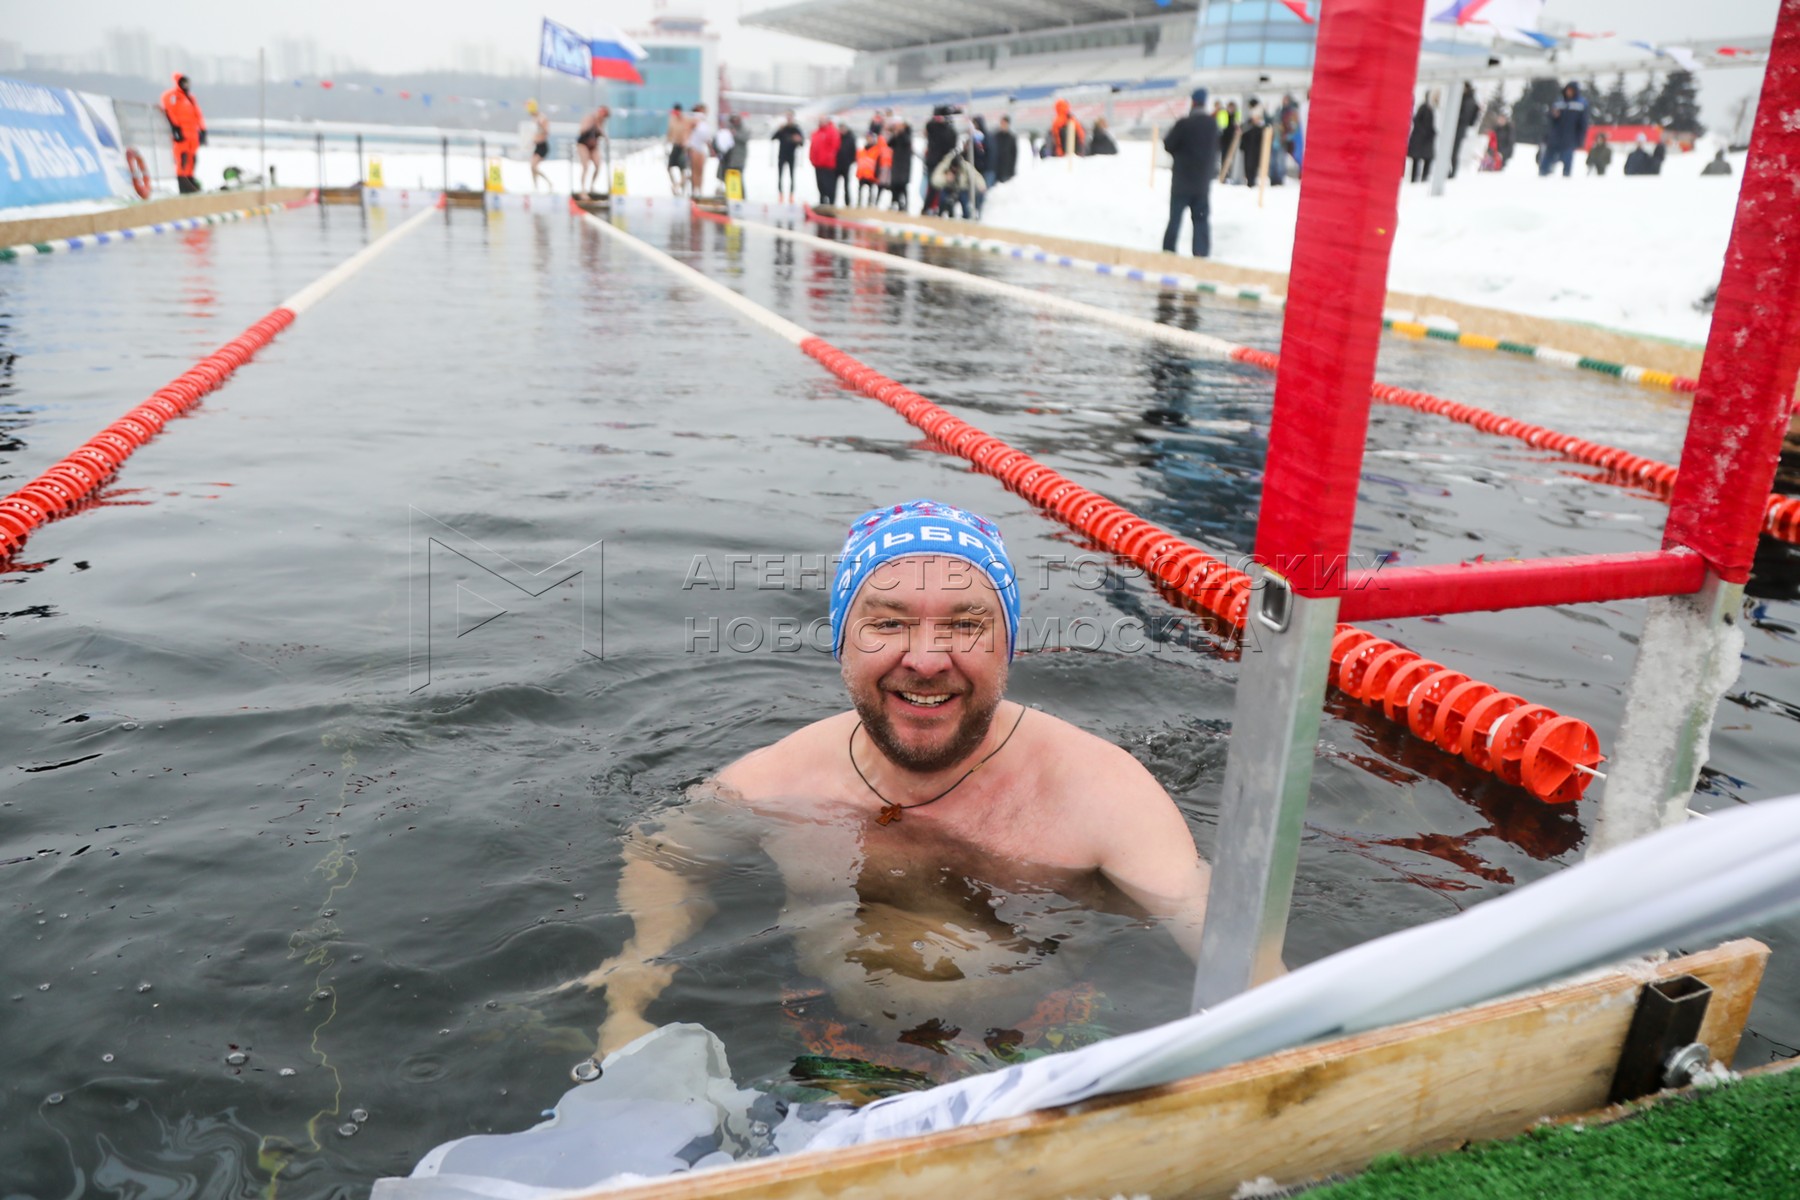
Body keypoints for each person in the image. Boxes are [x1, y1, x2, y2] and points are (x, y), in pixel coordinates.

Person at [576, 499, 1211, 1062]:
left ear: (1008, 644)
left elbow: (1215, 930)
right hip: (827, 1040)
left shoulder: (1102, 795)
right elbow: (664, 855)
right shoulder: (775, 780)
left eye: (964, 625)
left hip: (1042, 1049)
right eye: (888, 623)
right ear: (843, 642)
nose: (927, 659)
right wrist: (631, 991)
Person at [1162, 88, 1219, 259]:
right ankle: (1200, 254)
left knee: (1175, 218)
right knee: (1201, 219)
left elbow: (1168, 145)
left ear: (1192, 103)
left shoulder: (1184, 124)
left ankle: (1168, 252)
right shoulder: (1212, 125)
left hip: (1182, 182)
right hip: (1202, 182)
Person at [159, 72, 206, 194]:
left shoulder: (190, 98)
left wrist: (202, 130)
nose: (186, 85)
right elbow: (169, 111)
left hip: (193, 134)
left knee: (192, 158)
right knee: (182, 158)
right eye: (183, 83)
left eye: (187, 83)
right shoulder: (172, 96)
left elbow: (198, 115)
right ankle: (183, 183)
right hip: (182, 133)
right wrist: (175, 129)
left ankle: (190, 179)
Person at [1539, 81, 1589, 178]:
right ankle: (1542, 174)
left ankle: (1566, 178)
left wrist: (1580, 139)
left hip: (1570, 138)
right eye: (1567, 90)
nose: (1568, 92)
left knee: (1567, 160)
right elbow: (1550, 119)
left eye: (1571, 90)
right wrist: (1553, 115)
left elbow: (1583, 124)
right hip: (1555, 136)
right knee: (1547, 158)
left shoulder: (1581, 104)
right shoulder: (1559, 102)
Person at [922, 105, 957, 214]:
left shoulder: (950, 131)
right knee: (933, 186)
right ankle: (928, 208)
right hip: (934, 162)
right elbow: (929, 126)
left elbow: (952, 146)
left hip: (944, 163)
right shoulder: (934, 127)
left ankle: (943, 209)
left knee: (943, 187)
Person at [771, 110, 804, 203]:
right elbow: (772, 138)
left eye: (790, 116)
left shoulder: (796, 129)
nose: (789, 118)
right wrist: (779, 129)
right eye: (787, 116)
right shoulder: (783, 129)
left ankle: (791, 194)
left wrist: (798, 140)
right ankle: (780, 194)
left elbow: (802, 143)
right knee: (780, 175)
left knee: (792, 176)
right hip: (782, 155)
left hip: (791, 155)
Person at [809, 115, 841, 206]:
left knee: (829, 185)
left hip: (828, 164)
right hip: (817, 163)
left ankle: (831, 203)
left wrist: (828, 157)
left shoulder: (832, 131)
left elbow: (835, 146)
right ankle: (822, 201)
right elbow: (813, 146)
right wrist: (812, 158)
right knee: (820, 184)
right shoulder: (816, 133)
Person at [576, 105, 608, 196]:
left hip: (593, 146)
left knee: (598, 165)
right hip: (583, 144)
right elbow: (581, 131)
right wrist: (591, 125)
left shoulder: (601, 123)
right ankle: (583, 190)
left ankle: (591, 186)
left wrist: (599, 128)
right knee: (586, 167)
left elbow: (604, 136)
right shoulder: (589, 118)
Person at [1450, 82, 1479, 179]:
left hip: (1459, 129)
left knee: (1453, 151)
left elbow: (1464, 116)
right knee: (1453, 151)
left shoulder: (1468, 100)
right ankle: (1451, 171)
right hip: (1459, 128)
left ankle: (1452, 172)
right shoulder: (1468, 99)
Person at [686, 104, 714, 198]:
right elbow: (688, 131)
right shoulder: (694, 119)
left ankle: (699, 190)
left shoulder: (704, 121)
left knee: (700, 171)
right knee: (694, 170)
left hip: (702, 147)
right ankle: (695, 190)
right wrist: (688, 146)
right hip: (694, 146)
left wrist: (711, 148)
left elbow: (707, 137)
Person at [1407, 94, 1435, 184]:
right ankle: (1417, 179)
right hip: (1422, 138)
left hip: (1425, 138)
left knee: (1426, 158)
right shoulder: (1424, 108)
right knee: (1419, 158)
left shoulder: (1430, 108)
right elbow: (1418, 121)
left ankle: (1422, 178)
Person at [887, 118, 914, 212]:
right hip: (896, 163)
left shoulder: (907, 134)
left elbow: (906, 141)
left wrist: (901, 132)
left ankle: (904, 204)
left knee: (902, 185)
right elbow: (889, 144)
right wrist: (895, 134)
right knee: (894, 184)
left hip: (904, 165)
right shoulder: (897, 135)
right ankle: (895, 202)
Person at [527, 100, 551, 192]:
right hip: (537, 145)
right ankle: (535, 187)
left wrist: (539, 136)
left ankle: (548, 182)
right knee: (532, 167)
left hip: (542, 146)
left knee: (533, 166)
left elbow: (546, 132)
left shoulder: (541, 118)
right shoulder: (535, 119)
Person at [666, 104, 690, 195]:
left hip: (683, 148)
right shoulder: (672, 120)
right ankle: (676, 185)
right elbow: (670, 133)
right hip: (675, 146)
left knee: (683, 170)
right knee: (670, 168)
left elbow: (687, 132)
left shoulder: (685, 120)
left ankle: (680, 187)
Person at [834, 122, 858, 206]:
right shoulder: (837, 137)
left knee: (846, 185)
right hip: (836, 165)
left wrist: (850, 162)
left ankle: (847, 203)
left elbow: (854, 152)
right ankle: (833, 202)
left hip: (846, 166)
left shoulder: (851, 138)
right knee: (834, 186)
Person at [993, 115, 1018, 185]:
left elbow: (1014, 154)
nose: (1002, 125)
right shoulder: (996, 136)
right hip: (997, 169)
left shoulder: (1011, 137)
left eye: (1004, 123)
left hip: (1007, 170)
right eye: (1001, 123)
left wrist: (1012, 170)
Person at [855, 134, 880, 206]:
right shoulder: (861, 150)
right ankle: (859, 204)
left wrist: (877, 173)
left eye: (870, 138)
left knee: (871, 191)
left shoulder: (876, 150)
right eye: (868, 138)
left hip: (871, 174)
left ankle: (870, 204)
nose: (869, 140)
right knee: (860, 190)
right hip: (862, 174)